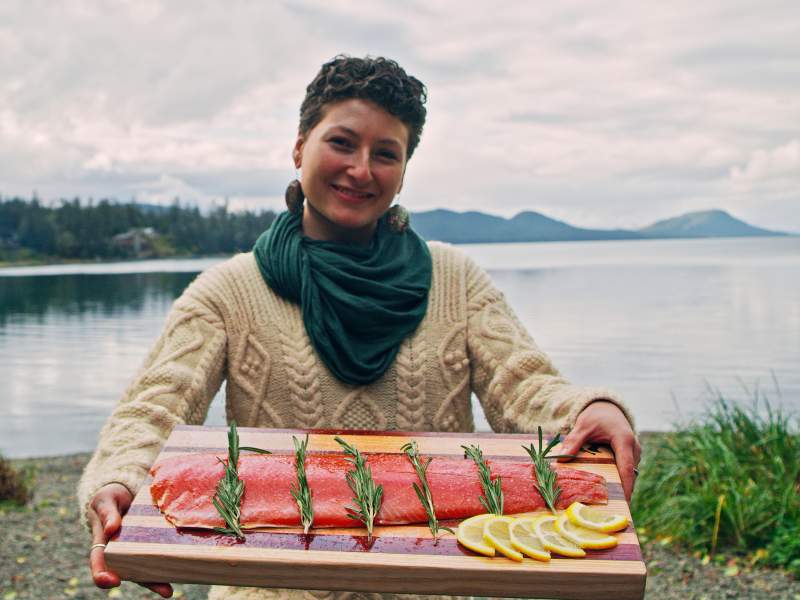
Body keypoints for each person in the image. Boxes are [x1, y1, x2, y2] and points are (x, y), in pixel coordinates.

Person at [79, 55, 640, 600]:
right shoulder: (227, 293)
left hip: (436, 587)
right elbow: (153, 410)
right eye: (342, 142)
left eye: (386, 153)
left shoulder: (456, 281)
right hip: (269, 589)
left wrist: (588, 409)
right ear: (300, 147)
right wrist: (119, 481)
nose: (361, 169)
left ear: (402, 171)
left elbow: (525, 385)